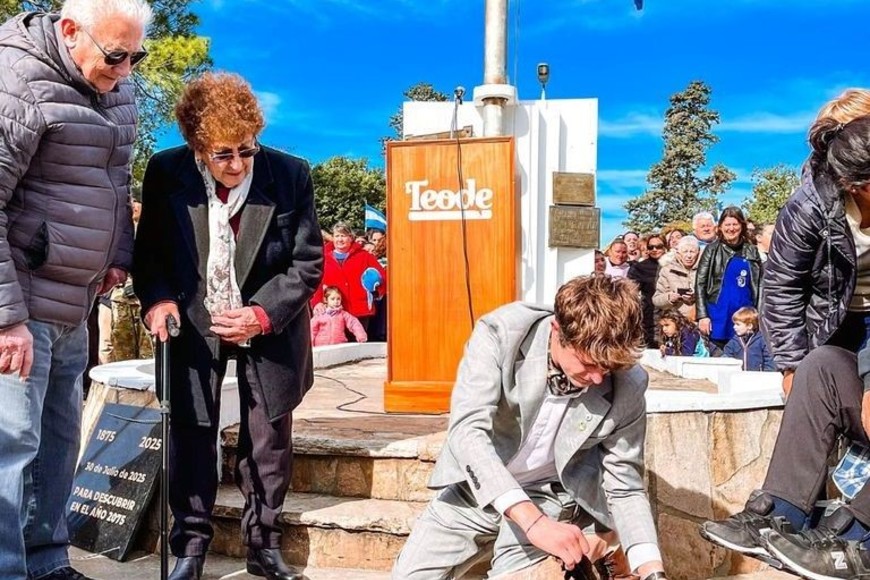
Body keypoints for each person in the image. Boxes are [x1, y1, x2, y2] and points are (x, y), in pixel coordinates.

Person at [133, 72, 323, 580]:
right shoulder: (165, 172)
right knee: (192, 433)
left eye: (247, 150)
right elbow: (149, 256)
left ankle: (263, 543)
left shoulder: (290, 173)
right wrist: (157, 302)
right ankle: (191, 546)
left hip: (270, 325)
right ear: (197, 147)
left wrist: (260, 315)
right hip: (192, 324)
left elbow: (306, 265)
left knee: (268, 439)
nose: (238, 164)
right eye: (223, 154)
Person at [0, 0, 151, 578]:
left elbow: (117, 178)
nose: (128, 70)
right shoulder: (16, 79)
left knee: (60, 445)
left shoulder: (118, 86)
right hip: (23, 300)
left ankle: (47, 562)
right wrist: (7, 317)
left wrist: (116, 253)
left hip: (77, 299)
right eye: (117, 55)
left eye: (138, 55)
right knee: (12, 447)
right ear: (69, 31)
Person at [392, 274, 668, 580]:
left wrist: (652, 570)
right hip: (478, 488)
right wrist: (532, 522)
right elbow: (467, 432)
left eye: (608, 367)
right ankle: (600, 540)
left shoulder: (628, 383)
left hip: (553, 496)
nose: (599, 379)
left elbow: (625, 485)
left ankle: (600, 541)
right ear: (557, 331)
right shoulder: (499, 334)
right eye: (588, 364)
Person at [699, 97, 870, 579]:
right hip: (838, 320)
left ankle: (857, 537)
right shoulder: (814, 200)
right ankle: (780, 513)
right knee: (817, 369)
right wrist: (792, 364)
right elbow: (780, 284)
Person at [695, 207, 761, 348]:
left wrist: (759, 312)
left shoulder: (751, 250)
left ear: (741, 226)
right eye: (727, 225)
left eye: (735, 224)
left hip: (745, 314)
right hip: (718, 314)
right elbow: (700, 283)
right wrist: (702, 316)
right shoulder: (712, 250)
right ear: (720, 227)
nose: (731, 228)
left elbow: (759, 284)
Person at [311, 222, 386, 331]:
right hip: (332, 313)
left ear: (351, 238)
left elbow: (382, 277)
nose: (340, 239)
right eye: (337, 236)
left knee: (359, 345)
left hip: (360, 312)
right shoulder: (323, 258)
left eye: (343, 236)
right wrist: (317, 302)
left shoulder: (365, 256)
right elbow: (315, 282)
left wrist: (376, 290)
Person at [628, 234, 665, 347]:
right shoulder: (640, 267)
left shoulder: (674, 264)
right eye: (651, 247)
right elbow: (630, 290)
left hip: (674, 313)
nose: (654, 250)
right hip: (651, 316)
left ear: (665, 246)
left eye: (658, 246)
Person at [653, 236, 699, 322]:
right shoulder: (667, 270)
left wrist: (697, 297)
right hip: (677, 321)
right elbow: (656, 300)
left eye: (692, 251)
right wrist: (669, 297)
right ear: (678, 253)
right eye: (685, 251)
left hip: (701, 320)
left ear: (698, 253)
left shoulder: (706, 268)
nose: (689, 255)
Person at [721, 307, 774, 371]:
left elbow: (769, 360)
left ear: (749, 326)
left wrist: (767, 375)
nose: (734, 327)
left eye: (738, 324)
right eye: (734, 324)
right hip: (738, 377)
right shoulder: (734, 342)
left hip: (758, 377)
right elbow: (726, 358)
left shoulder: (761, 340)